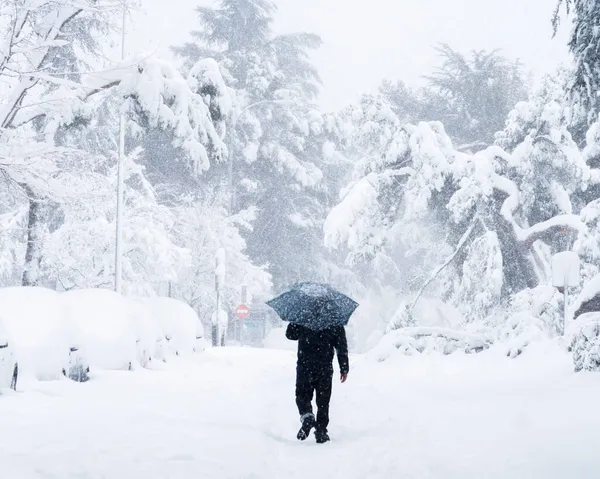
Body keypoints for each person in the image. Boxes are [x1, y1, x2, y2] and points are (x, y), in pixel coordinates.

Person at [285, 322, 349, 443]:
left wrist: (294, 322)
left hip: (305, 366)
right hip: (324, 367)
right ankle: (321, 431)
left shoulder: (303, 316)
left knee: (302, 396)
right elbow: (341, 346)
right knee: (323, 400)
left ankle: (307, 416)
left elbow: (290, 335)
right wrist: (344, 368)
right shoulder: (334, 319)